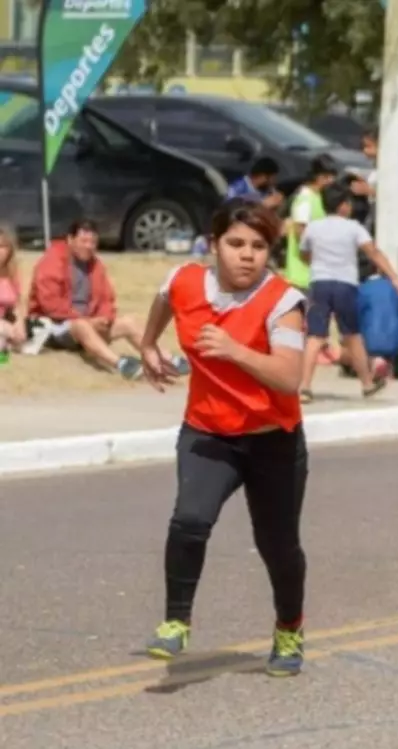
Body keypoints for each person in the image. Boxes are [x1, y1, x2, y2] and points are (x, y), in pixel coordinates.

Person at [136, 200, 311, 676]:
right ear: (214, 245)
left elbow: (289, 377)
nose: (247, 255)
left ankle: (289, 628)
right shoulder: (186, 280)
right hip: (208, 432)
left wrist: (235, 350)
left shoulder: (283, 302)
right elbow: (165, 298)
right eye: (235, 244)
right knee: (190, 519)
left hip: (272, 440)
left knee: (277, 544)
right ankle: (176, 622)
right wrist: (148, 344)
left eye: (258, 246)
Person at [27, 219, 184, 379]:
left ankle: (165, 359)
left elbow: (106, 299)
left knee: (128, 322)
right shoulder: (52, 261)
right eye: (84, 241)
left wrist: (105, 318)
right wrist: (87, 321)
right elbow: (51, 305)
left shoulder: (96, 265)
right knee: (81, 326)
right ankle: (121, 364)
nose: (89, 246)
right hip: (55, 327)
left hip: (89, 324)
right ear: (70, 239)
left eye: (93, 242)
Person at [298, 184, 398, 403]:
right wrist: (394, 278)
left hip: (319, 283)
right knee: (352, 335)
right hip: (345, 284)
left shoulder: (313, 228)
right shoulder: (354, 228)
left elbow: (304, 253)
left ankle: (305, 387)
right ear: (343, 206)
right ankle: (367, 384)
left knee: (315, 336)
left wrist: (318, 264)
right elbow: (373, 252)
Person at [284, 157, 338, 291]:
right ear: (317, 177)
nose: (331, 181)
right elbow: (300, 233)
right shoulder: (305, 199)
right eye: (327, 177)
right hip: (302, 277)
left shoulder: (318, 196)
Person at [0, 227, 26, 354]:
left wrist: (19, 323)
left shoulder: (12, 274)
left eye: (2, 247)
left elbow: (16, 304)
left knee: (19, 339)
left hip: (5, 321)